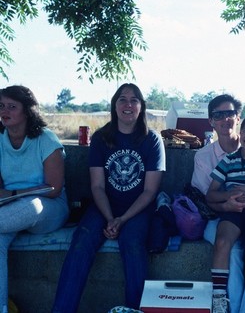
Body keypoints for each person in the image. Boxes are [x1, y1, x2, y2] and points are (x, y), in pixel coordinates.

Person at [52, 83, 166, 312]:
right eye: (122, 99)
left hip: (138, 208)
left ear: (141, 107)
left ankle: (134, 309)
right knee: (82, 239)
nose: (128, 104)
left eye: (134, 100)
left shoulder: (152, 140)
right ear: (114, 105)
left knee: (132, 243)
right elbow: (97, 186)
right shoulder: (101, 138)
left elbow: (149, 191)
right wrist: (109, 217)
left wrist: (121, 220)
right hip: (104, 205)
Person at [190, 94, 245, 313]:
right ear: (211, 121)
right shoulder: (210, 158)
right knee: (229, 248)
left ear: (237, 117)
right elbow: (210, 197)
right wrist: (229, 202)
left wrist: (241, 192)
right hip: (222, 214)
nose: (225, 119)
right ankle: (225, 306)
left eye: (229, 113)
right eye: (218, 115)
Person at [0, 85, 69, 313]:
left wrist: (14, 194)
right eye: (1, 106)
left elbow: (53, 188)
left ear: (27, 111)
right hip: (8, 211)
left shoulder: (45, 139)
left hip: (47, 208)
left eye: (12, 106)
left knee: (32, 206)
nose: (5, 111)